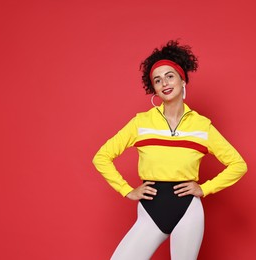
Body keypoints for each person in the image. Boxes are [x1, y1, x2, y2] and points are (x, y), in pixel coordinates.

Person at [92, 40, 247, 260]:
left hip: (188, 210)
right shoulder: (141, 123)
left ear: (183, 80)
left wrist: (205, 188)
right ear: (153, 88)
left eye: (170, 76)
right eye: (157, 80)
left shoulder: (202, 126)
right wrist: (127, 190)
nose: (164, 82)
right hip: (151, 209)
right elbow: (102, 157)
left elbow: (238, 165)